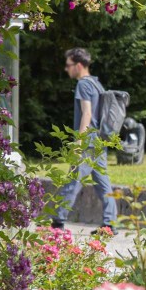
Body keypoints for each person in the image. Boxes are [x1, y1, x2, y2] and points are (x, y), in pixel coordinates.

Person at [52, 48, 117, 232]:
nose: (67, 69)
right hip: (99, 141)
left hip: (88, 141)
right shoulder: (96, 84)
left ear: (78, 65)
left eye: (69, 65)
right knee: (103, 183)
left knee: (73, 179)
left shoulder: (83, 85)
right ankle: (110, 224)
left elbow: (87, 113)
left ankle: (57, 223)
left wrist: (79, 142)